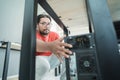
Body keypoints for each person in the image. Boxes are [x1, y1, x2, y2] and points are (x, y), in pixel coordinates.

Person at [35, 14, 72, 80]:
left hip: (52, 59)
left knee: (67, 55)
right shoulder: (33, 33)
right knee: (44, 65)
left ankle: (64, 79)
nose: (47, 26)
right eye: (43, 23)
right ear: (37, 25)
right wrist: (50, 46)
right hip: (39, 59)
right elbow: (36, 44)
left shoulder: (54, 35)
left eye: (49, 24)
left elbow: (60, 49)